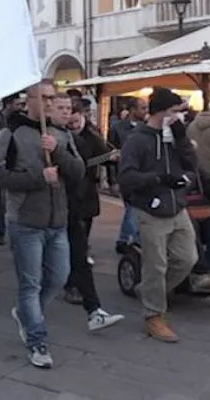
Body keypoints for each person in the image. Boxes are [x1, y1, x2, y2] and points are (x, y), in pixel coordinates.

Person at [0, 80, 84, 369]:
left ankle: (27, 314)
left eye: (51, 98)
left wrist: (57, 150)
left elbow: (79, 171)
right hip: (25, 221)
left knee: (58, 277)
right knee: (30, 283)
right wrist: (37, 179)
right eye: (42, 98)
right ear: (29, 100)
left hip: (57, 220)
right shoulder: (11, 134)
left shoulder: (59, 134)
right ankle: (37, 340)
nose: (48, 103)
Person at [118, 87, 200, 343]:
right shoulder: (137, 139)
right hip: (151, 209)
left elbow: (192, 164)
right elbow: (126, 177)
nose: (180, 117)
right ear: (162, 112)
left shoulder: (176, 134)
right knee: (156, 264)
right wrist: (157, 179)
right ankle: (154, 315)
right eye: (175, 112)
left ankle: (150, 292)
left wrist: (182, 140)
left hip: (177, 206)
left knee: (187, 258)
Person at [55, 96, 125, 332]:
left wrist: (111, 163)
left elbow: (106, 155)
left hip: (84, 197)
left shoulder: (91, 135)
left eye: (73, 116)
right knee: (64, 252)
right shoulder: (56, 137)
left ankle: (92, 307)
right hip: (62, 201)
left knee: (80, 250)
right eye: (63, 111)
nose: (71, 121)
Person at [111, 97, 148, 253]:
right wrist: (113, 179)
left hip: (143, 174)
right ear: (133, 110)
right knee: (132, 207)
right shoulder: (118, 128)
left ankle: (125, 238)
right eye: (143, 108)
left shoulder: (147, 128)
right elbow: (111, 152)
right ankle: (131, 240)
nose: (146, 111)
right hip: (126, 174)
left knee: (134, 208)